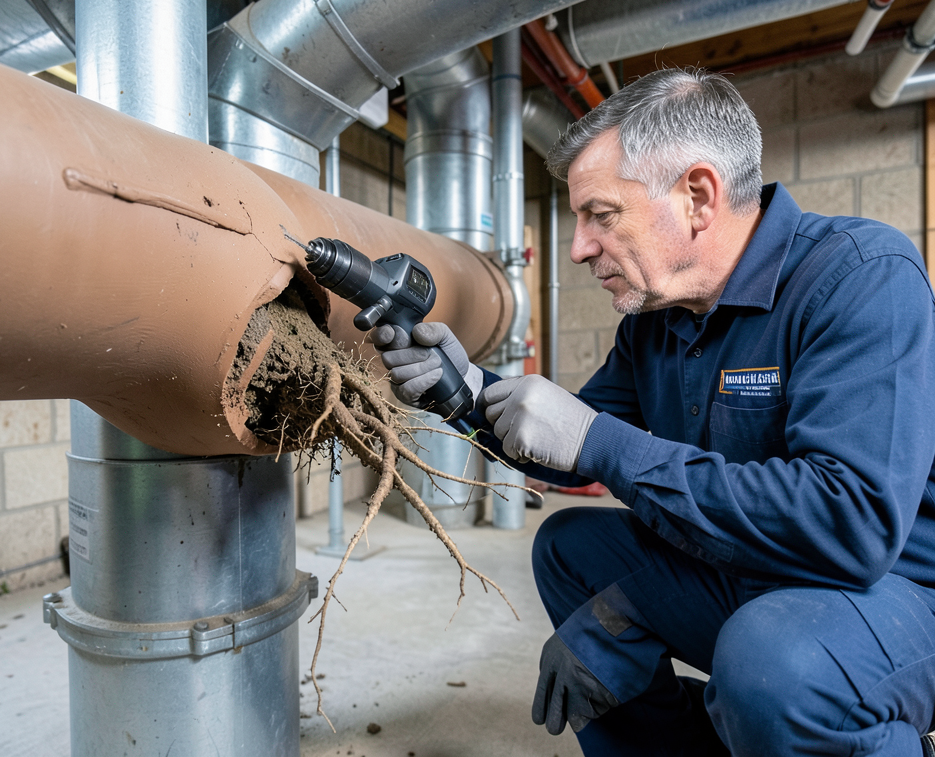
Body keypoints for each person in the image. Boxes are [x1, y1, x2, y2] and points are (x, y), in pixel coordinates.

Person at [370, 67, 935, 756]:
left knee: (776, 667)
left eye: (601, 216)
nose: (579, 247)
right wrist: (461, 390)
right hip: (748, 568)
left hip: (895, 592)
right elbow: (568, 444)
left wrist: (602, 444)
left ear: (697, 196)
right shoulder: (654, 321)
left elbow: (853, 525)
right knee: (570, 551)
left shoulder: (860, 277)